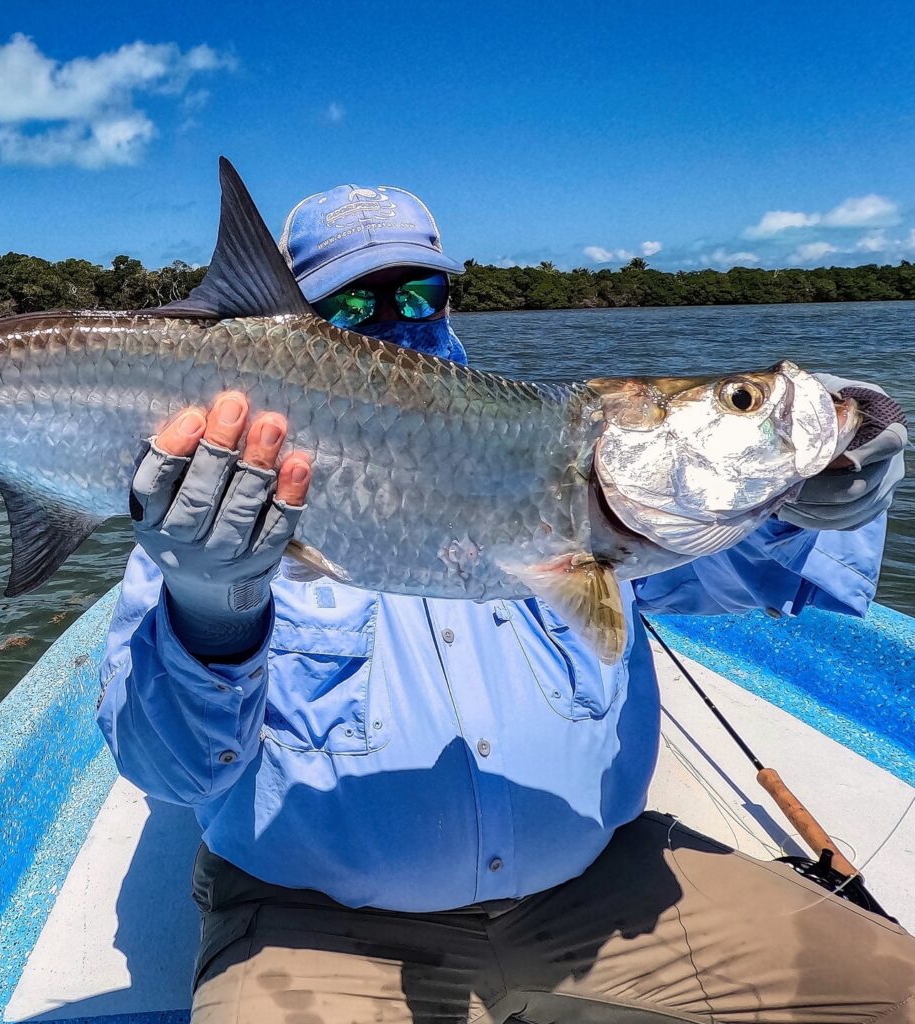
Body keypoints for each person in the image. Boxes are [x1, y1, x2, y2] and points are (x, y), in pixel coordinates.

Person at [97, 181, 914, 1023]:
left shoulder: (564, 463)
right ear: (292, 317)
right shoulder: (211, 501)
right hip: (314, 926)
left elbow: (763, 570)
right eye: (350, 301)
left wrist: (826, 481)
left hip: (598, 892)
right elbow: (165, 770)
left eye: (418, 290)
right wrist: (211, 608)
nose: (394, 315)